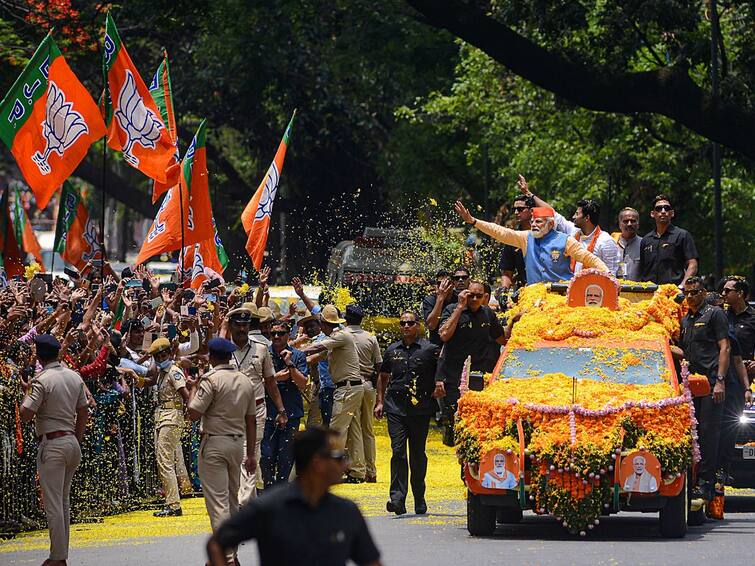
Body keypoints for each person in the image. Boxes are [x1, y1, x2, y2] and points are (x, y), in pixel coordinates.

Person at [206, 427, 382, 566]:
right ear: (318, 463)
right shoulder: (270, 508)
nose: (346, 464)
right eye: (339, 457)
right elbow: (217, 544)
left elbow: (371, 562)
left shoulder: (346, 512)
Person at [187, 337, 257, 566]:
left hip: (215, 444)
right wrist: (250, 455)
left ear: (212, 357)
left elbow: (194, 413)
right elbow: (251, 420)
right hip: (238, 445)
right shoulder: (245, 381)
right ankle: (232, 555)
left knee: (218, 505)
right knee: (232, 502)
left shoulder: (210, 379)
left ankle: (226, 559)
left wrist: (195, 386)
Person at [20, 334, 88, 566]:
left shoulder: (42, 379)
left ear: (38, 355)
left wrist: (26, 390)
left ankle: (58, 558)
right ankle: (61, 555)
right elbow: (84, 411)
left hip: (53, 444)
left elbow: (26, 414)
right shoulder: (74, 376)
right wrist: (77, 438)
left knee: (53, 504)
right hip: (70, 441)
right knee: (63, 502)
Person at [374, 311, 440, 515]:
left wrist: (439, 385)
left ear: (418, 326)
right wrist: (379, 402)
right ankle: (397, 499)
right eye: (402, 323)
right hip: (395, 409)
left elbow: (441, 372)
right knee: (398, 452)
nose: (406, 326)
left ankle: (419, 497)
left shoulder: (430, 349)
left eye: (410, 323)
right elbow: (383, 376)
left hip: (420, 410)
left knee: (418, 455)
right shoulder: (392, 349)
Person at [454, 201, 608, 285]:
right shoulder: (525, 237)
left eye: (539, 222)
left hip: (560, 296)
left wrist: (607, 275)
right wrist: (473, 221)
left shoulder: (566, 240)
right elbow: (500, 232)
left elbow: (589, 259)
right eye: (533, 221)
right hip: (533, 297)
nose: (534, 225)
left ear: (550, 224)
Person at [224, 303, 286, 505]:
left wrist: (281, 409)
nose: (242, 329)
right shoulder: (224, 351)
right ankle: (245, 497)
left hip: (256, 410)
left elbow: (270, 382)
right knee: (234, 457)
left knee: (250, 454)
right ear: (231, 326)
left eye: (245, 325)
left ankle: (244, 502)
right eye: (238, 325)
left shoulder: (261, 349)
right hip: (231, 413)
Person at [436, 280, 507, 445]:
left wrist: (515, 323)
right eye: (471, 295)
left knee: (477, 423)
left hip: (479, 375)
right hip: (454, 376)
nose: (474, 299)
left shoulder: (488, 313)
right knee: (456, 425)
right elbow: (444, 335)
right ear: (464, 294)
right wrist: (460, 308)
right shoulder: (452, 309)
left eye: (478, 296)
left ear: (484, 297)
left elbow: (502, 339)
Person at [300, 305, 365, 483]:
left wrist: (296, 352)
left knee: (336, 431)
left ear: (323, 324)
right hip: (352, 388)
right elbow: (318, 356)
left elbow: (316, 348)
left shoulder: (339, 336)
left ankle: (333, 471)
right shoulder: (337, 338)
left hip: (347, 389)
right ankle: (358, 471)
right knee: (354, 430)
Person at [679, 277, 729, 499]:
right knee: (693, 434)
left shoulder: (714, 314)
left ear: (704, 292)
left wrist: (720, 380)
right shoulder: (686, 319)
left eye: (694, 292)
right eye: (687, 294)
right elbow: (685, 352)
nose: (689, 297)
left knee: (709, 434)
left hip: (709, 384)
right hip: (690, 386)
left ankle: (706, 483)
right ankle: (693, 481)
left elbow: (725, 347)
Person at [517, 176, 619, 275]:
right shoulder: (574, 232)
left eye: (577, 214)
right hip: (570, 288)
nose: (573, 216)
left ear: (587, 218)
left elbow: (611, 275)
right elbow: (553, 213)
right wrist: (528, 193)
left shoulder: (606, 241)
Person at [142, 337, 190, 517]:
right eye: (157, 356)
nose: (161, 358)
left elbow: (185, 394)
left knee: (165, 461)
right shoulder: (162, 372)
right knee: (163, 460)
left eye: (163, 354)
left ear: (169, 353)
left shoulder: (173, 371)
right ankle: (171, 502)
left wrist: (190, 414)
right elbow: (150, 380)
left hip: (171, 417)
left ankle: (174, 505)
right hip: (163, 417)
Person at [262, 320, 308, 487]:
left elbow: (302, 383)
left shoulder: (297, 355)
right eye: (273, 333)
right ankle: (268, 491)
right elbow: (256, 381)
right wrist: (274, 378)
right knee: (266, 455)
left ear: (288, 335)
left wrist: (290, 364)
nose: (276, 337)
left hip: (291, 412)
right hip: (267, 412)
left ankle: (281, 491)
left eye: (280, 333)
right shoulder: (263, 354)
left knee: (286, 456)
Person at [344, 304, 382, 483]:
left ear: (346, 318)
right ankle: (371, 470)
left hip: (351, 386)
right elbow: (379, 367)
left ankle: (357, 468)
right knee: (368, 428)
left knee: (355, 427)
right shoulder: (370, 338)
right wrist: (380, 396)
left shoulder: (342, 336)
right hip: (368, 384)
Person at [639, 194, 698, 286]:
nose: (663, 211)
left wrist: (682, 287)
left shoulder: (682, 235)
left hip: (673, 293)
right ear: (652, 214)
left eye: (666, 208)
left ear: (672, 213)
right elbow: (641, 269)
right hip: (649, 294)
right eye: (658, 209)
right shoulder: (646, 240)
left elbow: (693, 265)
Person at [500, 195, 532, 289]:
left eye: (520, 209)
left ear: (532, 210)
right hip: (525, 290)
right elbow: (507, 271)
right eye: (514, 209)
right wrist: (504, 290)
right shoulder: (513, 238)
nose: (516, 212)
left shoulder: (546, 235)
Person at [421, 269, 455, 346]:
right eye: (440, 283)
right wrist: (441, 298)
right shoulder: (430, 300)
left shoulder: (459, 297)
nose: (443, 286)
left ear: (453, 284)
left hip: (455, 344)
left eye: (447, 283)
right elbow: (431, 325)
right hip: (436, 345)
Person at [613, 207, 643, 281]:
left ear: (638, 224)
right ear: (620, 224)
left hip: (636, 290)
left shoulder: (644, 244)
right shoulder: (612, 243)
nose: (629, 224)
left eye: (633, 221)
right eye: (626, 221)